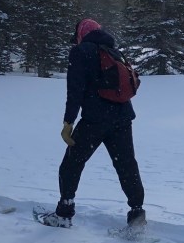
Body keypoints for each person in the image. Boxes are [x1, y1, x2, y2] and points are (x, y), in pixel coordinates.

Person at [40, 18, 145, 229]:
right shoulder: (114, 50)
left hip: (95, 120)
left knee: (71, 164)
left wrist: (68, 121)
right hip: (123, 118)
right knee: (126, 165)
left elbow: (75, 89)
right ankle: (137, 213)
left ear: (81, 34)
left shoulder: (81, 52)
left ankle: (64, 212)